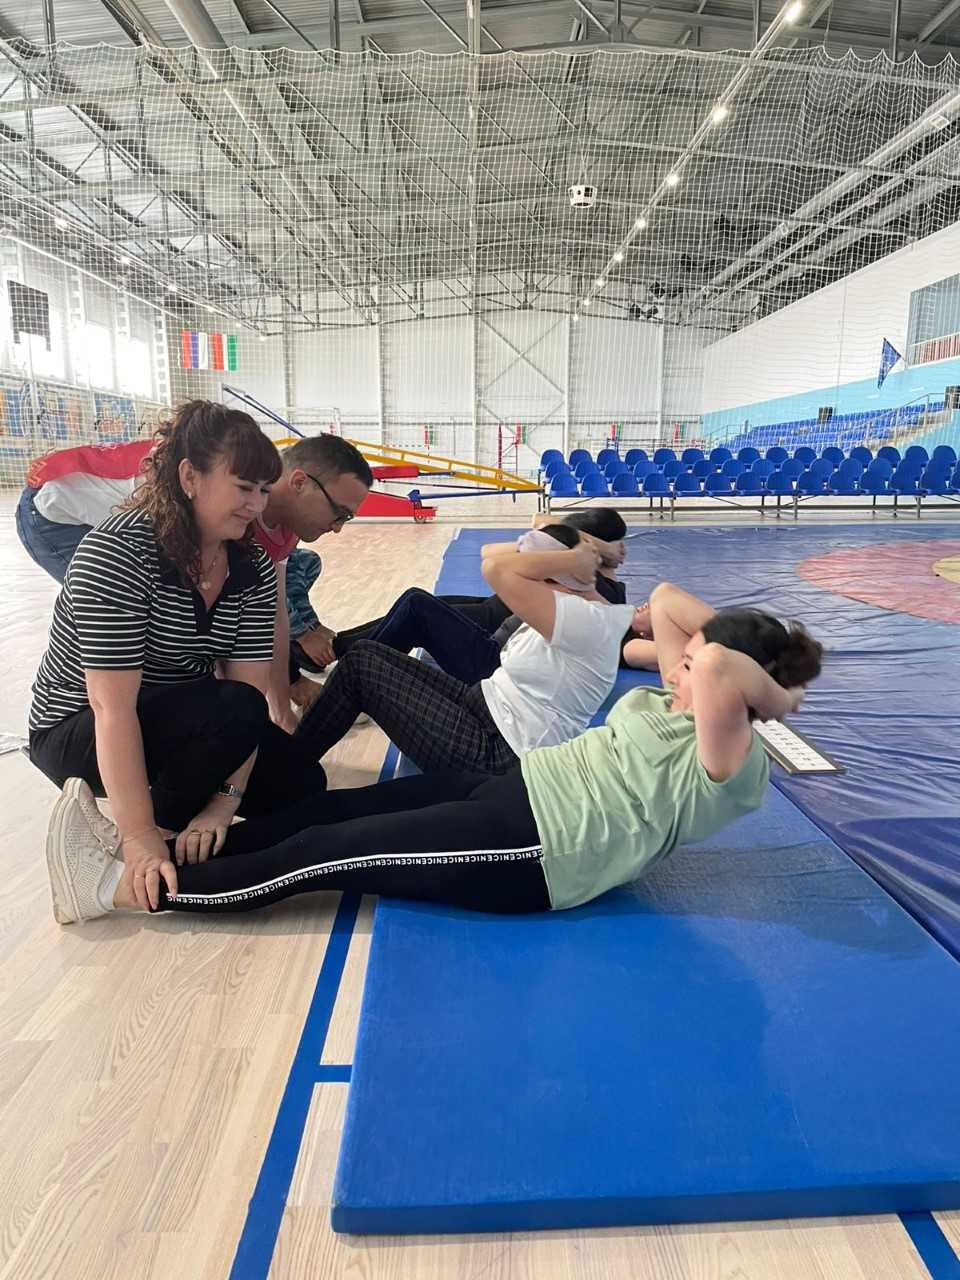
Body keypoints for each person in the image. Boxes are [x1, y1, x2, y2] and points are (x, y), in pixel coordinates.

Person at [43, 581, 824, 922]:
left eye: (695, 663)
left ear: (743, 692)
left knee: (326, 856)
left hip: (542, 850)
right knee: (326, 812)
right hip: (521, 788)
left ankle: (122, 890)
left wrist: (780, 694)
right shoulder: (683, 702)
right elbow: (671, 602)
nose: (678, 665)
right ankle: (159, 850)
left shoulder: (731, 755)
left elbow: (713, 667)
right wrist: (741, 648)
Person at [28, 400, 328, 915]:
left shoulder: (252, 566)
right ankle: (133, 854)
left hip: (181, 719)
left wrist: (222, 805)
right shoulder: (117, 552)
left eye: (263, 490)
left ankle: (175, 823)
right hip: (79, 728)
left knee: (302, 782)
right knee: (231, 711)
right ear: (190, 477)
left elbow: (251, 698)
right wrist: (141, 836)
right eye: (243, 488)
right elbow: (112, 709)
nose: (257, 505)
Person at [15, 427, 374, 729]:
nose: (338, 528)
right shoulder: (226, 503)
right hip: (53, 510)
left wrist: (281, 709)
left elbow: (272, 617)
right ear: (298, 483)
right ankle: (87, 736)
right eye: (339, 513)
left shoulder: (283, 520)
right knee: (140, 640)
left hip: (107, 505)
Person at [294, 525, 637, 776]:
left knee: (361, 668)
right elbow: (496, 557)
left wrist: (572, 558)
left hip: (500, 753)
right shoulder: (579, 606)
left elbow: (495, 568)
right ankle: (293, 759)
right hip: (487, 707)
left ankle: (290, 770)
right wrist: (580, 554)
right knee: (366, 654)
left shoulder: (588, 620)